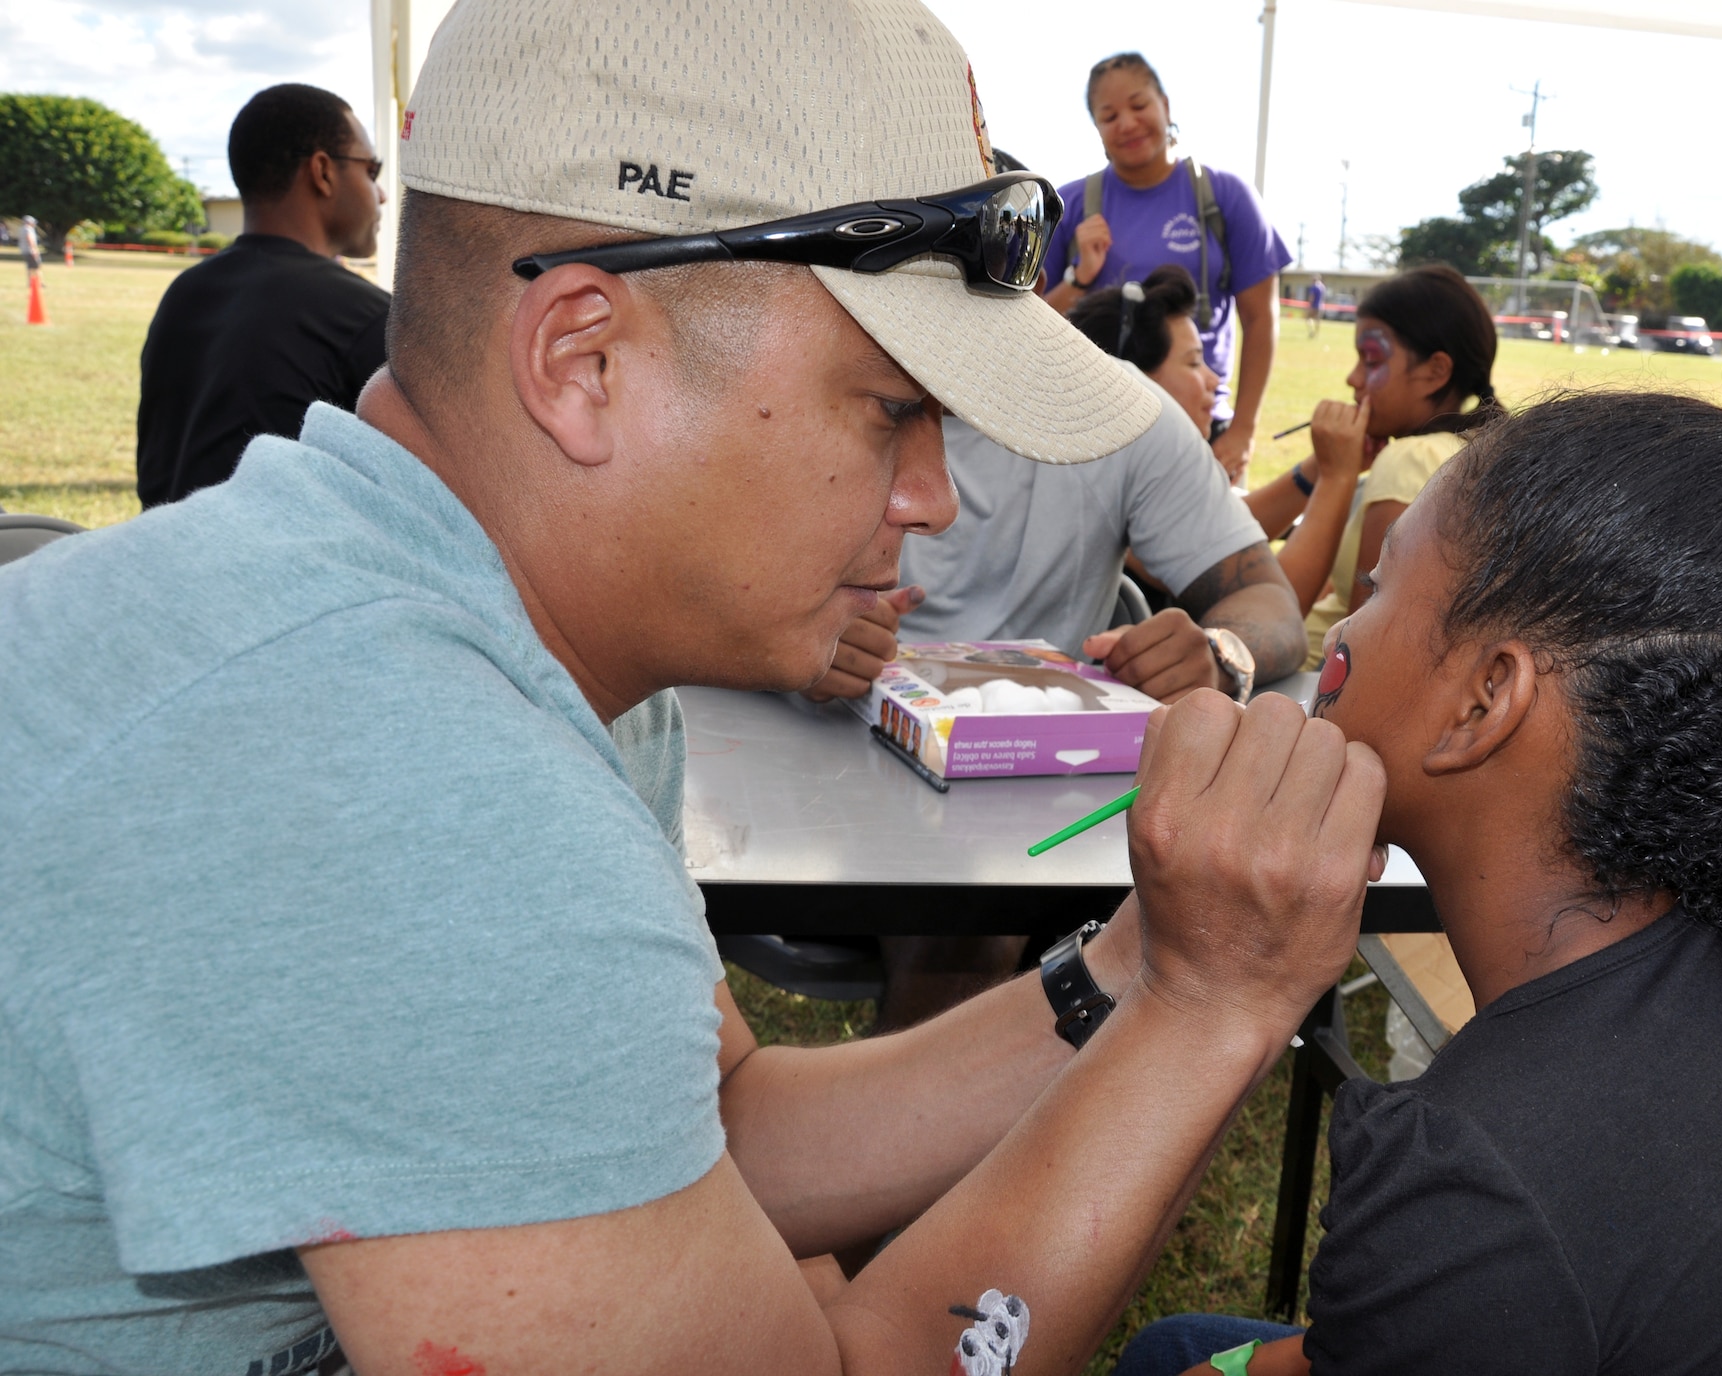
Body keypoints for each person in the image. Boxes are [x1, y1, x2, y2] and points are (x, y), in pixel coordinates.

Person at [0, 3, 1388, 1372]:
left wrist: (1136, 967)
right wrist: (1212, 1011)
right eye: (892, 409)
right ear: (584, 361)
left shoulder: (498, 630)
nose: (933, 497)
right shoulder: (414, 785)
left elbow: (726, 1125)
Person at [1113, 393, 1722, 1376]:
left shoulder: (1482, 1173)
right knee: (1176, 1345)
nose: (1341, 628)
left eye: (1372, 587)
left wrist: (1194, 984)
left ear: (1483, 699)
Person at [803, 263, 1306, 1030]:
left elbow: (1269, 604)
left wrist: (1217, 649)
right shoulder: (795, 390)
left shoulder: (1120, 412)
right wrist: (797, 630)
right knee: (967, 909)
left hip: (1036, 804)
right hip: (808, 768)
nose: (933, 506)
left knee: (975, 902)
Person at [1041, 52, 1292, 484]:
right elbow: (1032, 327)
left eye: (1139, 106)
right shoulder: (1067, 206)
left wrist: (1243, 430)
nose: (1127, 123)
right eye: (1109, 115)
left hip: (1203, 425)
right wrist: (1079, 278)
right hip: (1096, 428)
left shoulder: (1225, 196)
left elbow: (1261, 318)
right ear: (1097, 128)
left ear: (1166, 106)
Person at [135, 83, 390, 508]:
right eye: (371, 170)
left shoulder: (184, 294)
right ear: (323, 172)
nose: (380, 193)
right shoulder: (362, 316)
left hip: (159, 563)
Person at [1244, 263, 1500, 668]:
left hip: (1295, 684)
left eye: (1371, 360)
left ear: (1436, 372)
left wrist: (1337, 475)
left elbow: (1360, 652)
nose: (1352, 378)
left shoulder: (1408, 460)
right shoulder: (1486, 450)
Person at [1305, 274, 1325, 338]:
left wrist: (1309, 305)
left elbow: (1312, 297)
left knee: (1308, 318)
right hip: (1321, 306)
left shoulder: (1314, 287)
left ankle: (1311, 331)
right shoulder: (1322, 287)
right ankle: (1317, 334)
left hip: (1314, 306)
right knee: (1317, 320)